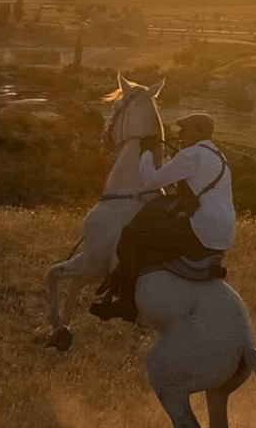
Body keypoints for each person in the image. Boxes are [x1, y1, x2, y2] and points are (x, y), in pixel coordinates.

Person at [90, 112, 235, 322]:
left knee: (130, 236)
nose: (180, 134)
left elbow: (151, 181)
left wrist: (146, 153)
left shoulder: (192, 154)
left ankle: (125, 304)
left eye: (184, 130)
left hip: (199, 228)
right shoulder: (218, 157)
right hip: (223, 232)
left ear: (199, 132)